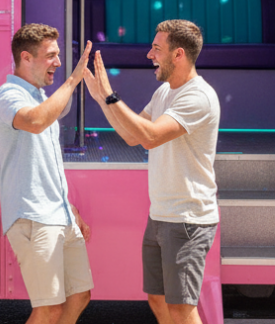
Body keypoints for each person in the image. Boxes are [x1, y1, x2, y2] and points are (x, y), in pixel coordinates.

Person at [84, 19, 219, 324]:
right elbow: (132, 135)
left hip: (187, 219)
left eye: (157, 48)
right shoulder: (164, 92)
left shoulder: (197, 96)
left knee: (181, 309)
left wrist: (110, 95)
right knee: (158, 300)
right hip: (161, 215)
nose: (149, 55)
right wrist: (101, 98)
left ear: (178, 54)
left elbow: (150, 136)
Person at [0, 24, 94, 324]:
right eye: (51, 55)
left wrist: (68, 206)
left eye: (58, 55)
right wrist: (73, 81)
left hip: (58, 213)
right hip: (33, 217)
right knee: (48, 310)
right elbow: (34, 122)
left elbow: (43, 162)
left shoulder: (39, 96)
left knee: (79, 296)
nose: (58, 63)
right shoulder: (8, 95)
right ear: (26, 57)